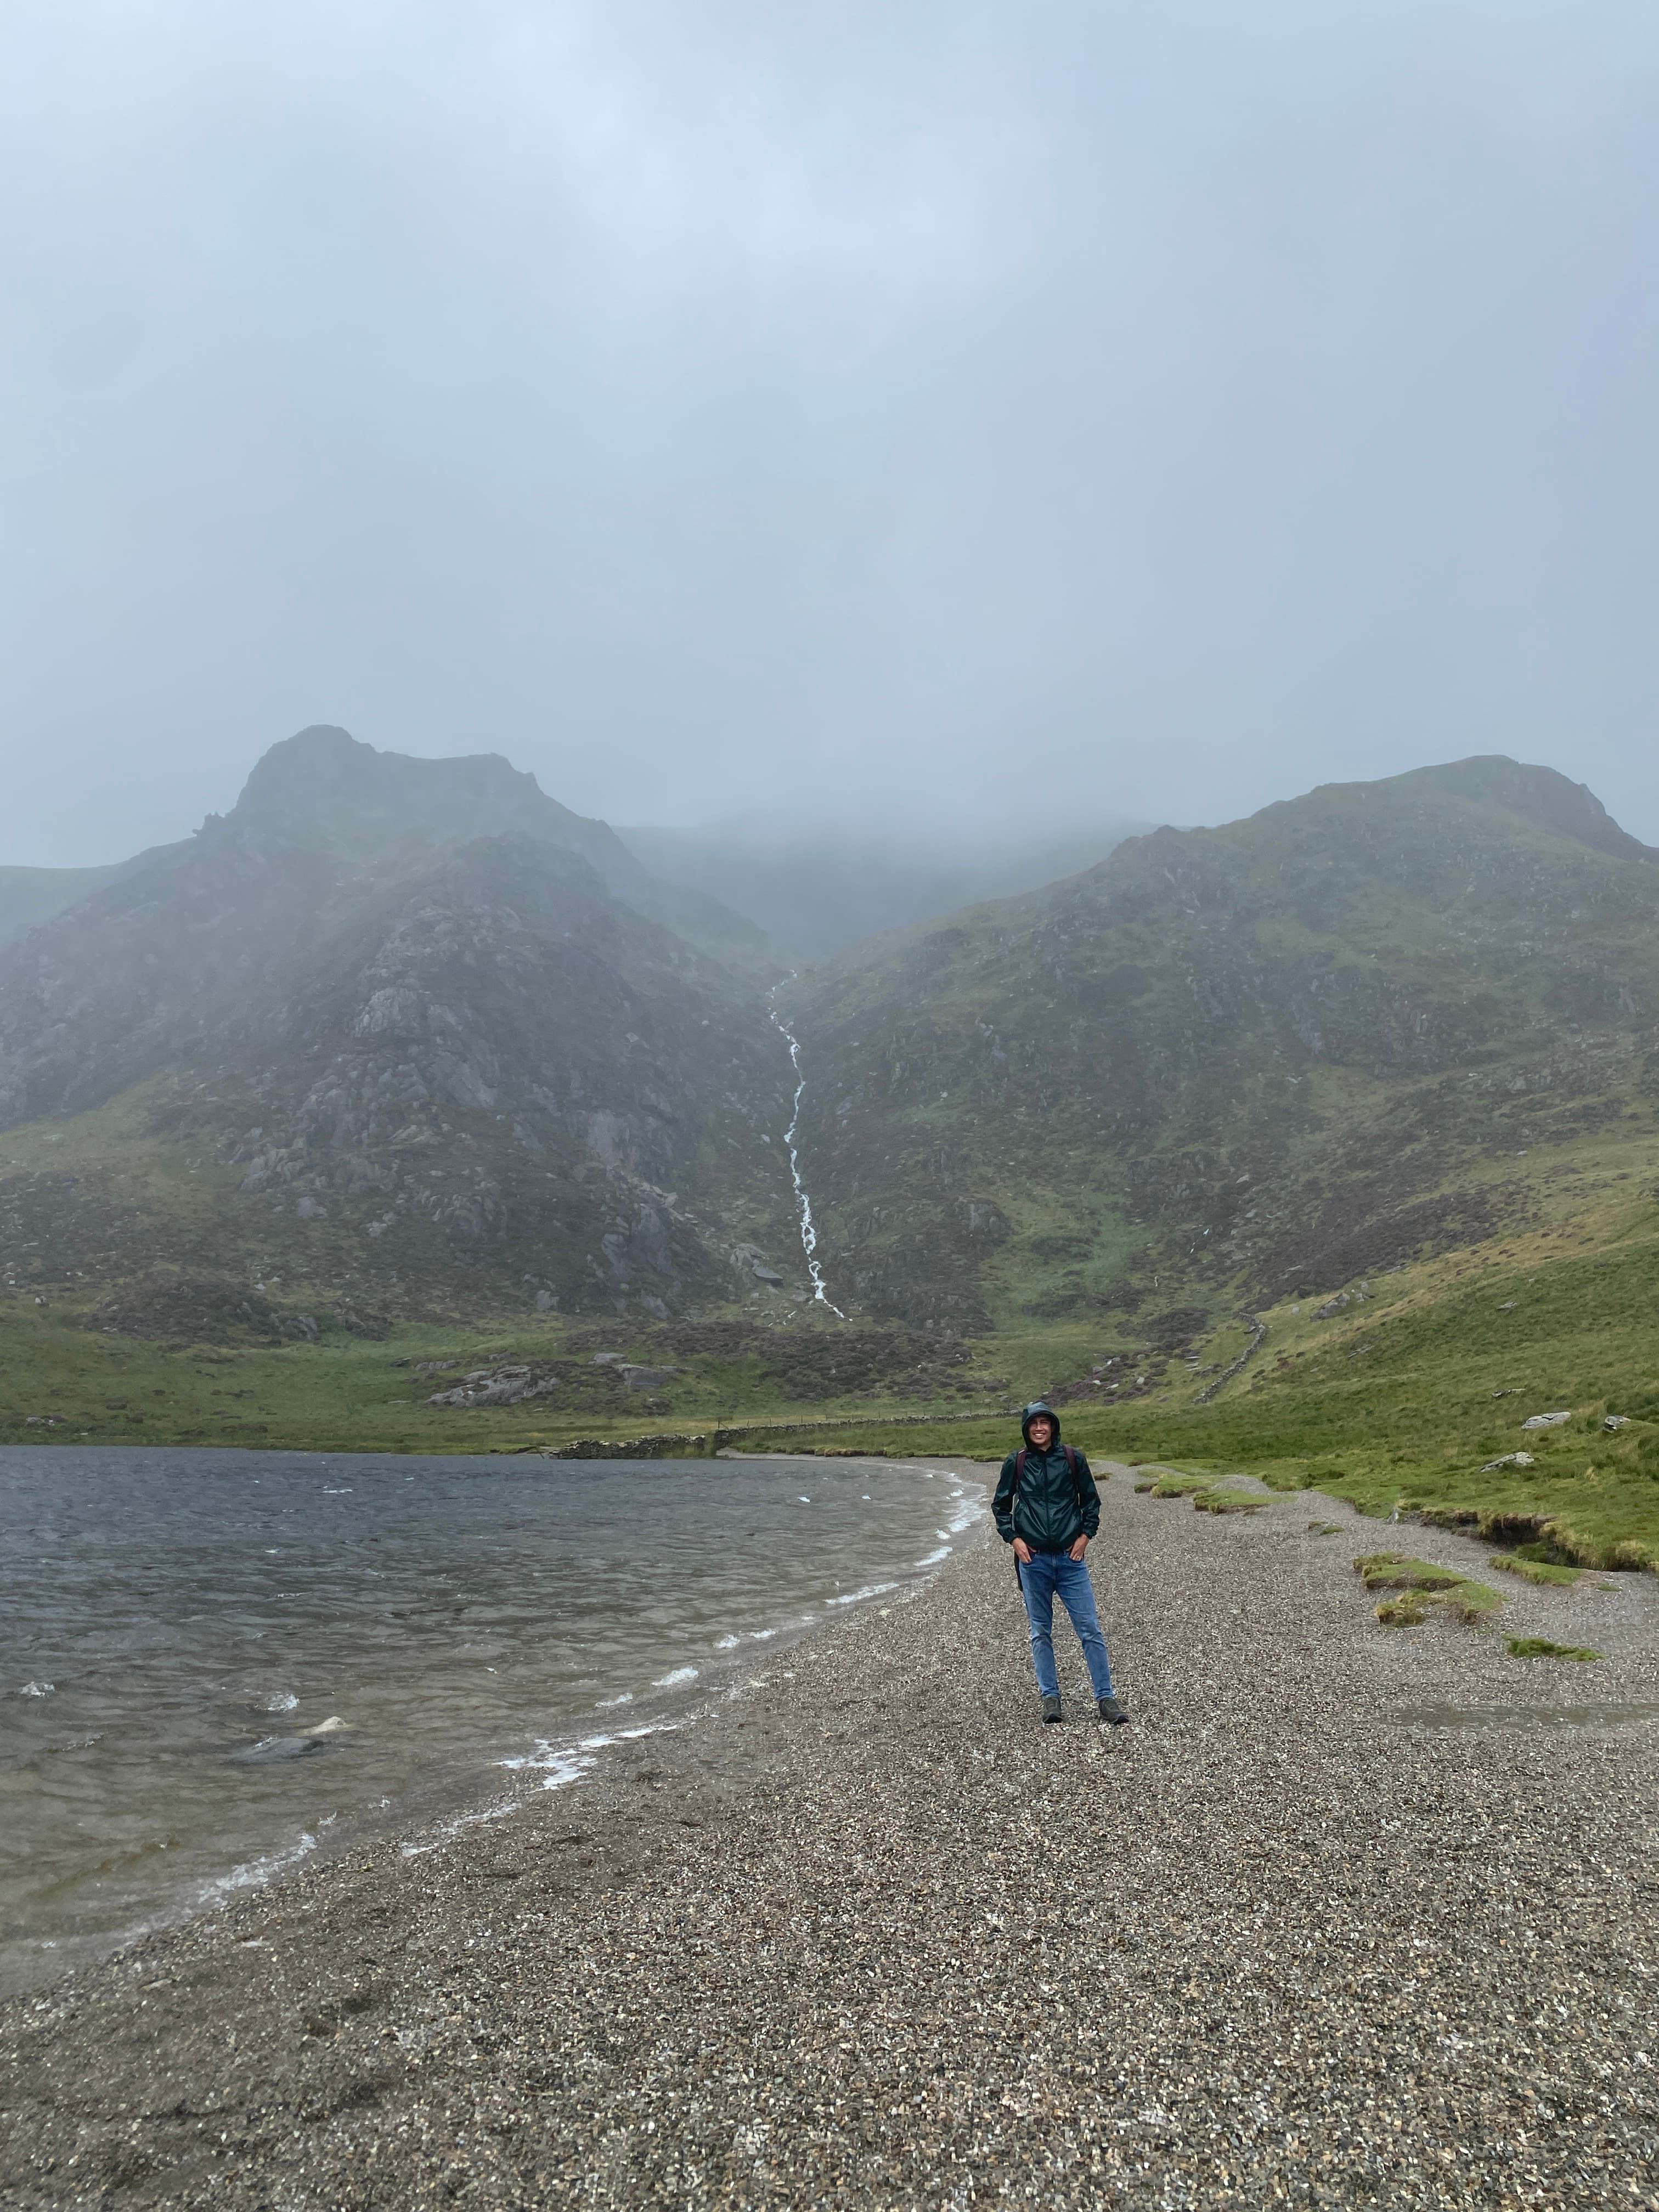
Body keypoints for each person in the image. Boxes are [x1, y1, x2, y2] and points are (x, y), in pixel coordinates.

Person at [992, 1401, 1128, 1726]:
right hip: (1033, 1560)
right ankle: (1050, 1699)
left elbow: (1091, 1501)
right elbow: (1001, 1505)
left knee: (1090, 1629)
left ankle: (1105, 1698)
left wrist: (1085, 1537)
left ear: (1053, 1426)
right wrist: (1015, 1540)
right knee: (1041, 1632)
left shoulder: (1072, 1458)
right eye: (1033, 1423)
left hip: (1070, 1560)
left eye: (1045, 1422)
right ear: (1026, 1429)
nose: (1039, 1428)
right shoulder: (1018, 1462)